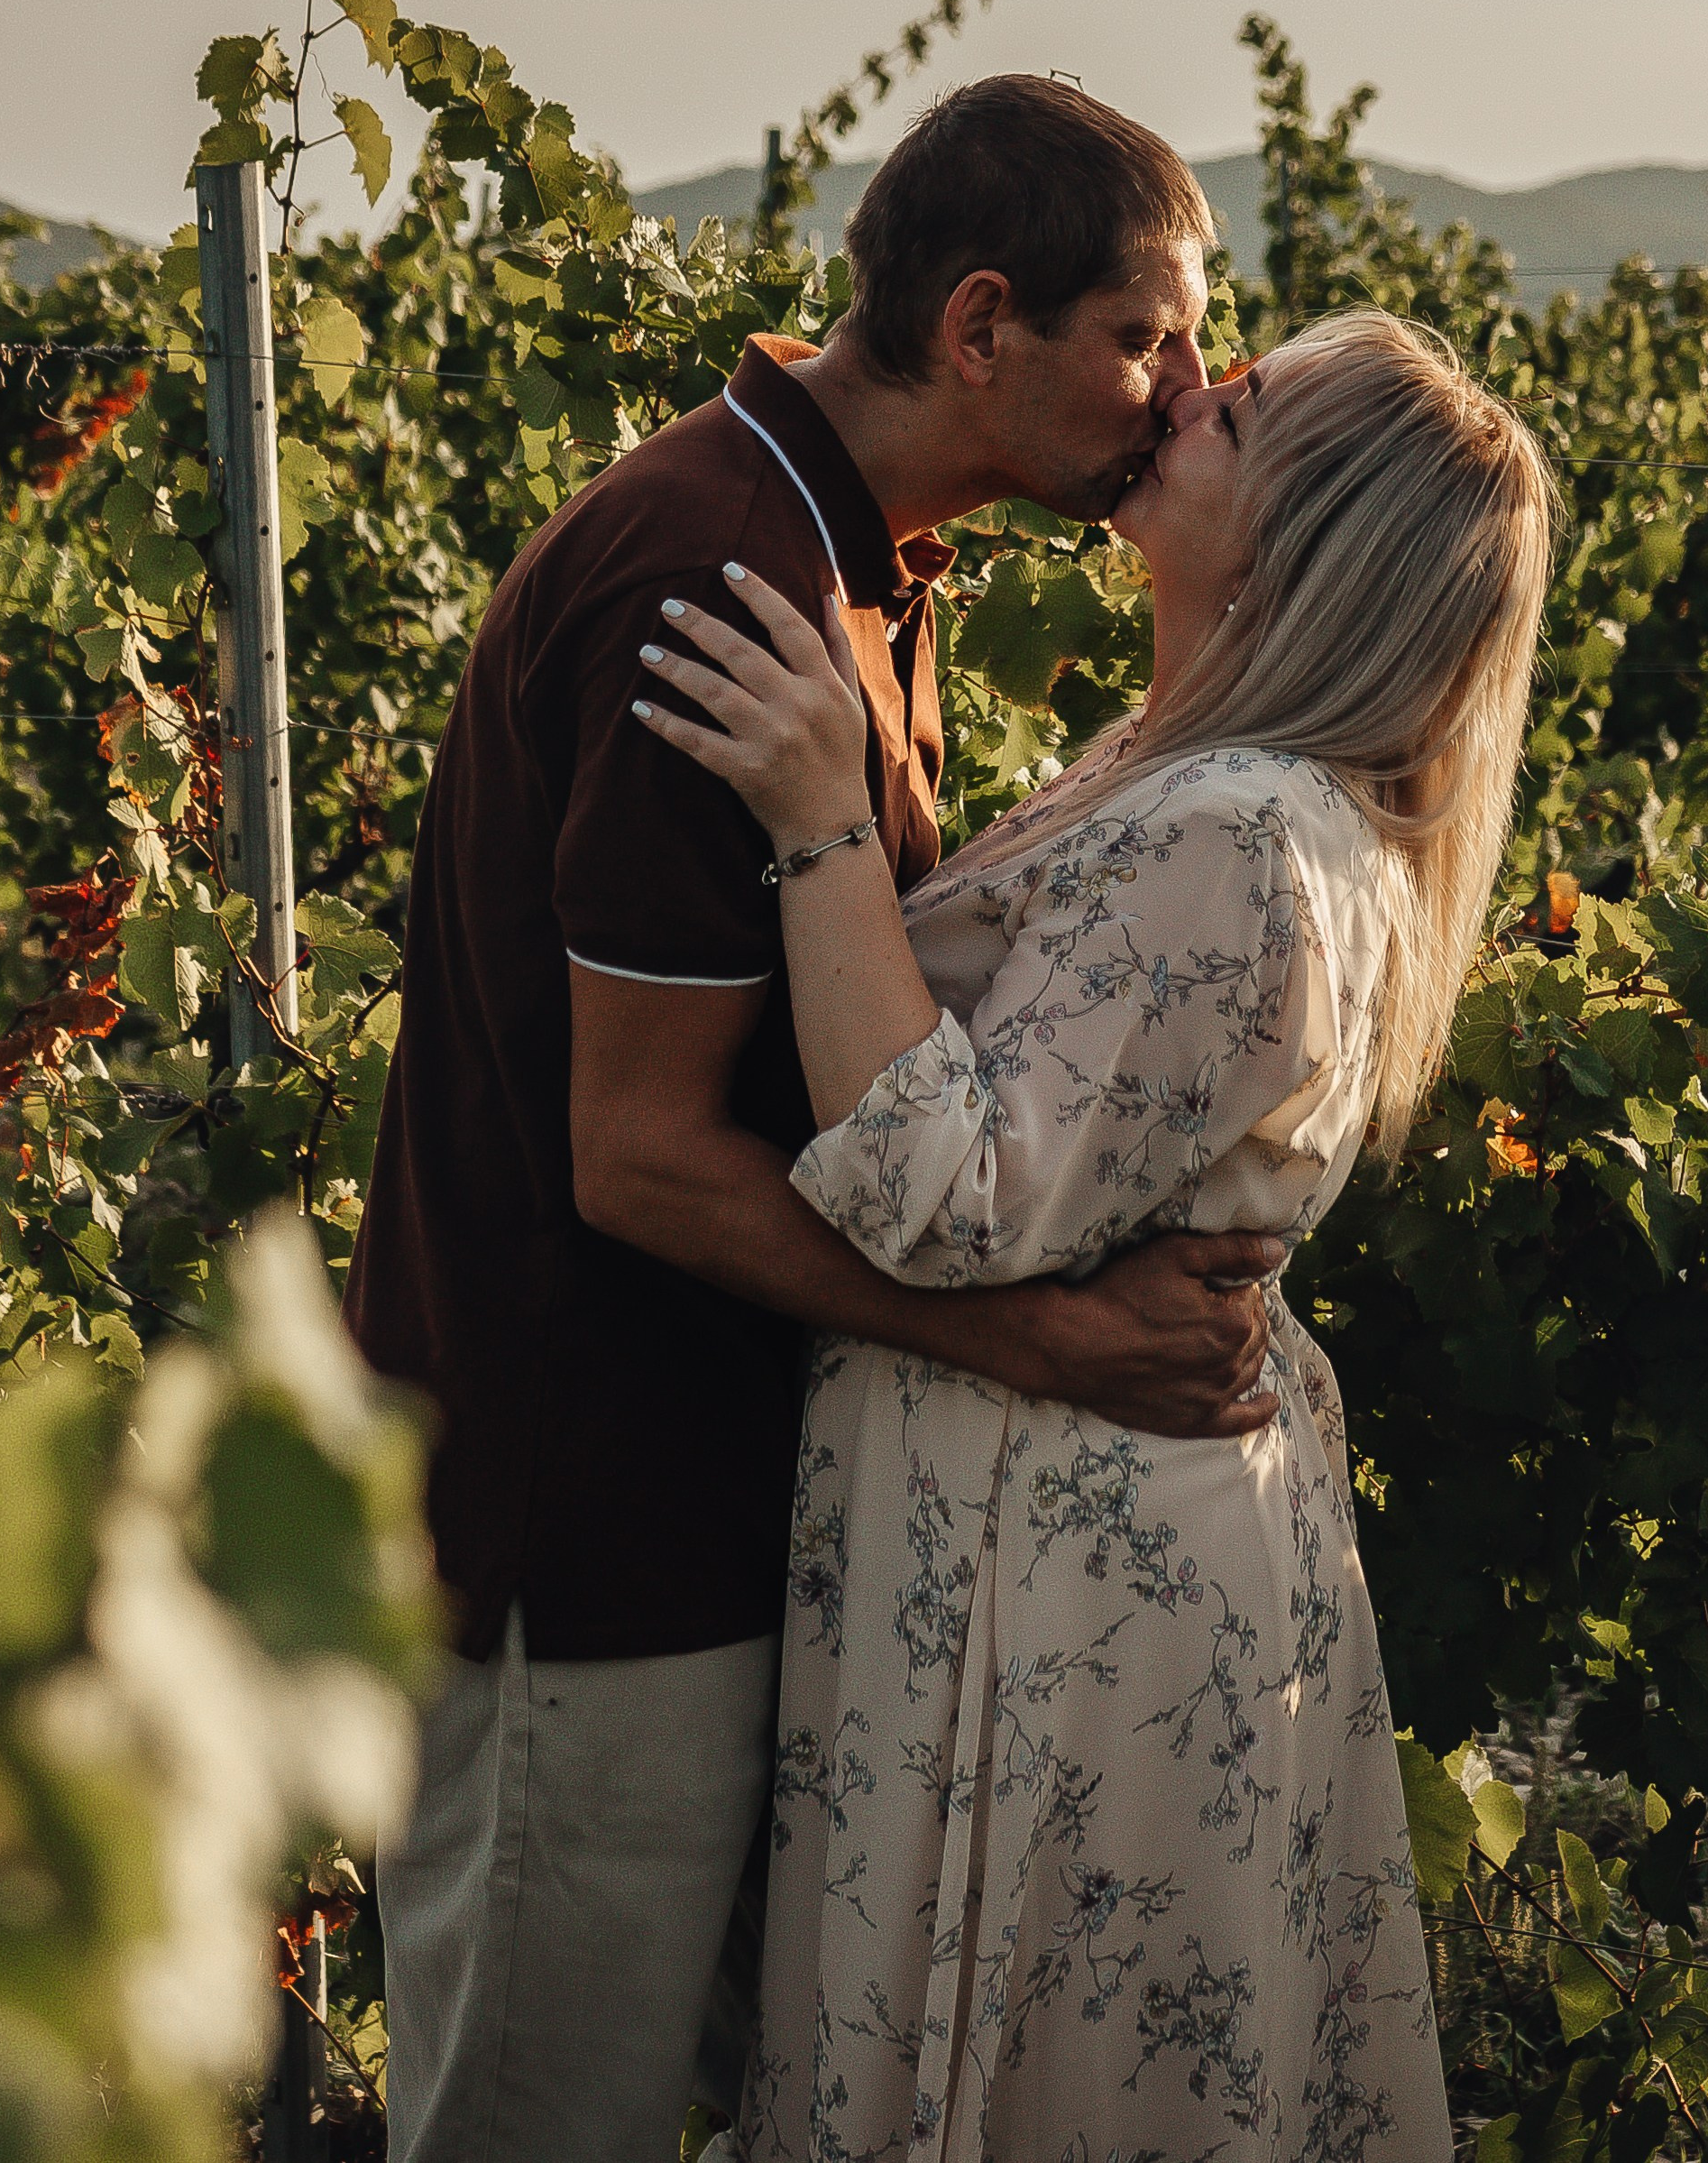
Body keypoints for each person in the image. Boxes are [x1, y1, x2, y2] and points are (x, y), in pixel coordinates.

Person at [346, 78, 1297, 2163]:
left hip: (688, 1502)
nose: (1182, 392)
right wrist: (1034, 1336)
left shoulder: (843, 551)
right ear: (980, 326)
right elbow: (643, 1151)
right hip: (575, 1526)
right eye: (1146, 336)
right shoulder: (729, 578)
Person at [631, 305, 1556, 2163]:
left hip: (1064, 1563)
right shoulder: (1198, 772)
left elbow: (940, 1196)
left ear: (1309, 536)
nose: (1189, 395)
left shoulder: (1238, 828)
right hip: (1079, 1511)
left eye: (1248, 401)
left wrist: (821, 824)